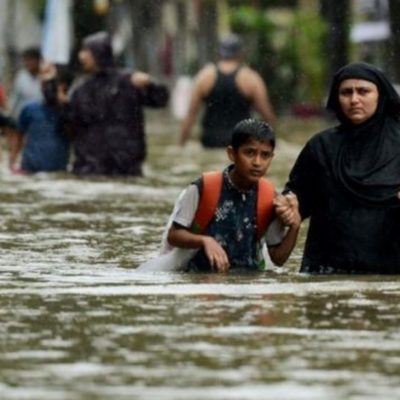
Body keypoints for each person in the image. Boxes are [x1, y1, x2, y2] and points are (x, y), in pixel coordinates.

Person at [279, 62, 400, 274]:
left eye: (363, 91)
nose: (354, 99)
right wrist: (288, 206)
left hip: (390, 276)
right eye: (346, 92)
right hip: (329, 272)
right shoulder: (321, 147)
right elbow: (296, 200)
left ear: (380, 95)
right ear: (337, 98)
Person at [140, 119, 300, 273]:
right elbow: (174, 236)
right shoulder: (203, 188)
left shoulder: (269, 198)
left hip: (248, 283)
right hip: (199, 280)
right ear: (232, 153)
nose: (257, 162)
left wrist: (295, 226)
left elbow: (278, 259)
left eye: (265, 155)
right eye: (249, 153)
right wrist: (204, 241)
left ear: (272, 157)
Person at [68, 31, 169, 176]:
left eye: (86, 51)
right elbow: (68, 126)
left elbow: (161, 100)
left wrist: (150, 84)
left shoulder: (129, 81)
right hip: (90, 168)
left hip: (126, 167)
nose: (81, 56)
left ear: (99, 53)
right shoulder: (80, 89)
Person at [179, 34, 276, 148]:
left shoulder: (204, 77)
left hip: (211, 141)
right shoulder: (251, 78)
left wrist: (181, 145)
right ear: (240, 54)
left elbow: (191, 116)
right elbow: (267, 116)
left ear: (220, 53)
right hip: (241, 143)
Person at [16, 63, 72, 173]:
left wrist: (65, 107)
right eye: (43, 83)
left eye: (51, 83)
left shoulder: (70, 110)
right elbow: (18, 134)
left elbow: (73, 134)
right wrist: (12, 160)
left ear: (63, 85)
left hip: (58, 172)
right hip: (29, 170)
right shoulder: (29, 109)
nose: (46, 87)